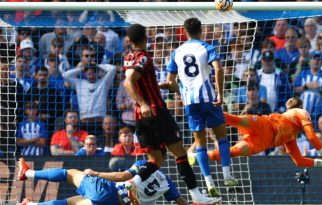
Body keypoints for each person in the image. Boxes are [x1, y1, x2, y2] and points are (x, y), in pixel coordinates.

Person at [122, 23, 220, 204]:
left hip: (140, 117)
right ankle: (197, 196)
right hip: (155, 112)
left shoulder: (128, 58)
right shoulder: (144, 58)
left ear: (129, 40)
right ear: (145, 37)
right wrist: (143, 103)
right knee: (180, 154)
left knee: (155, 160)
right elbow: (128, 82)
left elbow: (136, 82)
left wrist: (150, 92)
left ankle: (132, 182)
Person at [161, 17, 237, 197]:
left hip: (190, 102)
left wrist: (182, 92)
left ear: (184, 31)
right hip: (208, 98)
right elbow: (218, 69)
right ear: (201, 30)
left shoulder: (177, 52)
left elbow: (169, 82)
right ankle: (227, 175)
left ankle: (209, 182)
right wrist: (219, 93)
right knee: (222, 138)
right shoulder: (207, 47)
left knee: (200, 144)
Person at [191, 98, 322, 169]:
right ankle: (205, 110)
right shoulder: (298, 113)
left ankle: (198, 156)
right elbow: (311, 135)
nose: (290, 101)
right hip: (265, 125)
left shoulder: (291, 135)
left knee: (234, 151)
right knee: (238, 120)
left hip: (265, 141)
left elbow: (299, 160)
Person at [17, 157, 187, 205]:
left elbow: (122, 177)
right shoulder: (167, 183)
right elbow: (180, 201)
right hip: (115, 203)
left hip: (109, 190)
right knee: (73, 202)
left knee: (70, 173)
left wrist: (96, 173)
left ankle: (28, 173)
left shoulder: (144, 164)